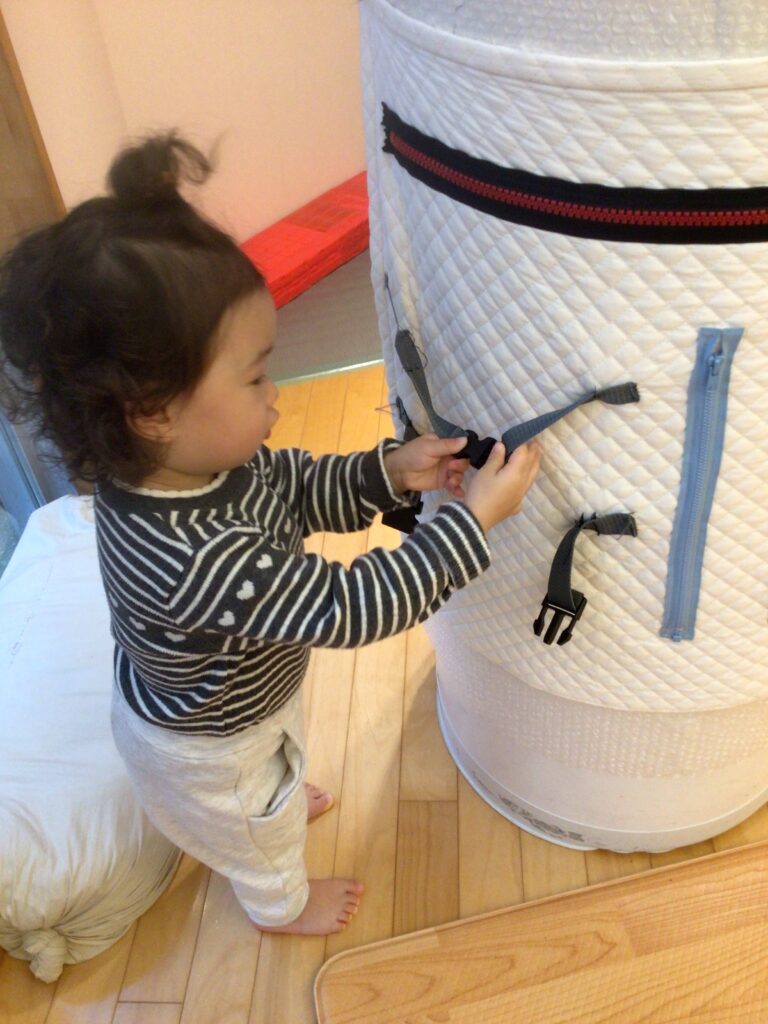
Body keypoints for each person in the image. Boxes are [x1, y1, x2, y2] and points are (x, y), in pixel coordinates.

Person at [0, 134, 540, 936]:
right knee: (260, 839)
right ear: (155, 411)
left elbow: (287, 487)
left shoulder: (177, 465)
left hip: (237, 700)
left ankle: (273, 798)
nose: (275, 393)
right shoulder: (195, 559)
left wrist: (387, 473)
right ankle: (279, 903)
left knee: (272, 785)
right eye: (254, 376)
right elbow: (354, 605)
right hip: (214, 750)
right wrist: (471, 522)